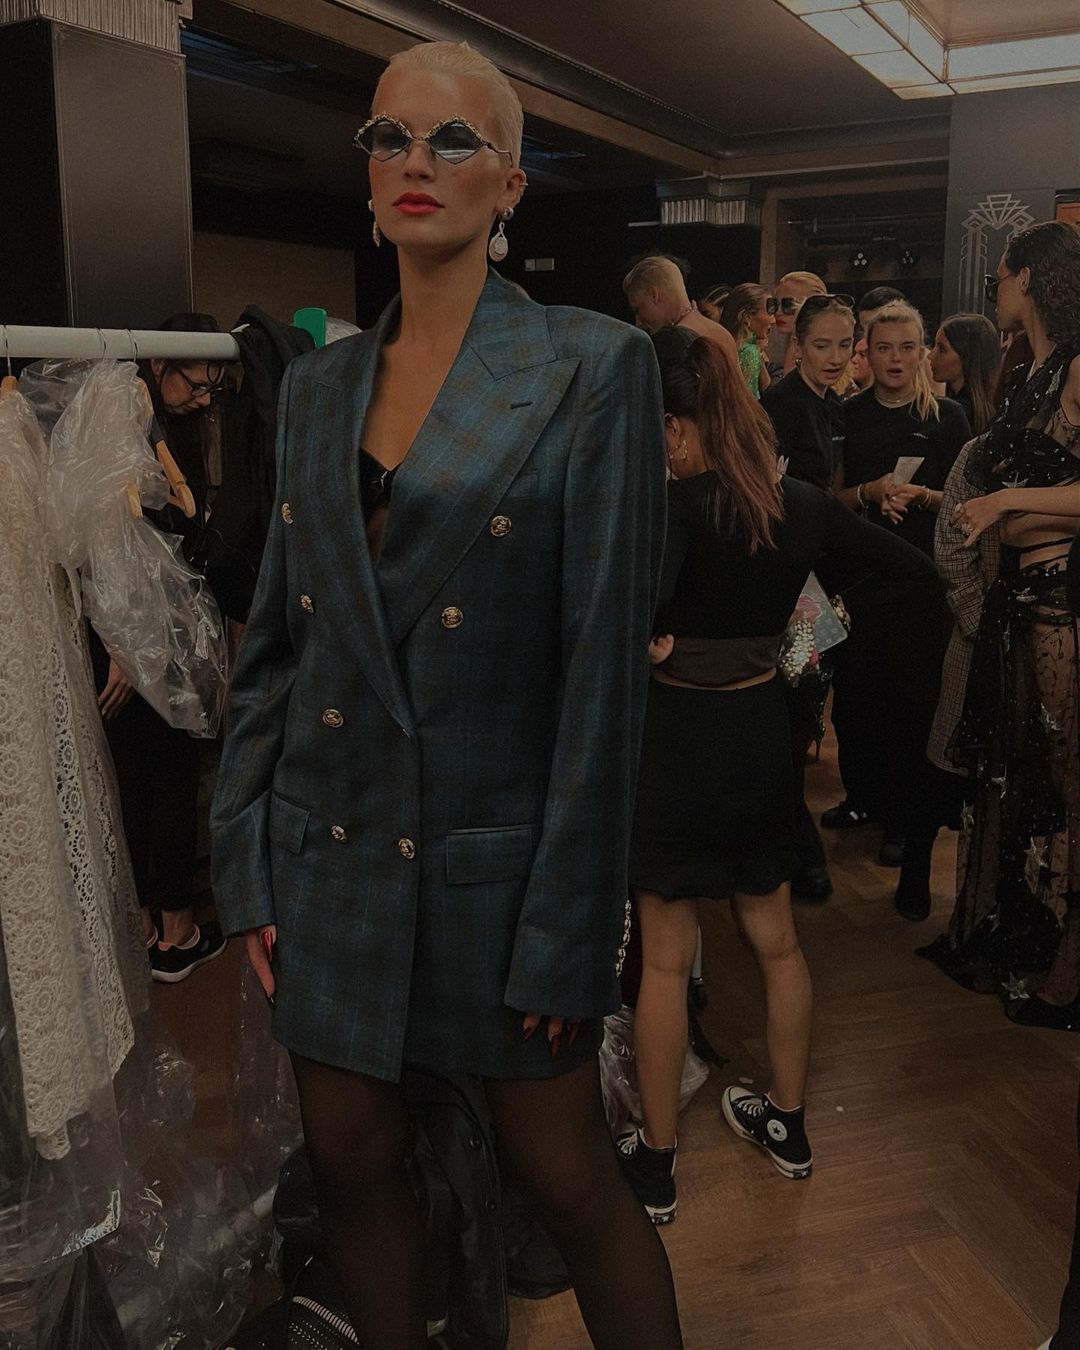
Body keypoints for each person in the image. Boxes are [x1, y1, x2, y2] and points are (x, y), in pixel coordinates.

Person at [210, 40, 683, 1350]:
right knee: (352, 1162)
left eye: (453, 138)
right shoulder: (318, 386)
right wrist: (245, 861)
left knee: (571, 1180)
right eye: (390, 138)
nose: (416, 161)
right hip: (330, 852)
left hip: (496, 868)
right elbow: (277, 648)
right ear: (368, 175)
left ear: (510, 182)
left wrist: (571, 925)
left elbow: (602, 686)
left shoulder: (592, 368)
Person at [616, 324, 936, 1225]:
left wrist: (655, 644)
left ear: (676, 426)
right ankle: (788, 1128)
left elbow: (633, 623)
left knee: (666, 960)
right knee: (778, 941)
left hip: (677, 739)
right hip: (759, 732)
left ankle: (656, 1165)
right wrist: (807, 637)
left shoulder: (672, 510)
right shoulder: (799, 504)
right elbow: (913, 574)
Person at [921, 220, 1080, 1029]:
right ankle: (1015, 938)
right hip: (1020, 600)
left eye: (1000, 278)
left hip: (1060, 601)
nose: (995, 293)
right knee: (1018, 782)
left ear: (1028, 278)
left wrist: (1007, 501)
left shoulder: (1078, 366)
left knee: (1067, 783)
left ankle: (1069, 974)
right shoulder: (1033, 370)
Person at [89, 312, 229, 983]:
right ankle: (176, 931)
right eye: (195, 385)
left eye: (212, 390)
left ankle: (149, 921)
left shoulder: (159, 426)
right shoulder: (129, 424)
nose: (203, 399)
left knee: (144, 774)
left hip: (139, 631)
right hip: (136, 635)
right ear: (158, 365)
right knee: (166, 772)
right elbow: (104, 541)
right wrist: (122, 645)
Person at [830, 300, 971, 917]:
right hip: (860, 580)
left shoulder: (947, 418)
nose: (895, 359)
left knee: (913, 709)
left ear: (922, 352)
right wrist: (870, 494)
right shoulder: (847, 414)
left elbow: (968, 502)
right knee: (857, 701)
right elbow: (826, 497)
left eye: (907, 347)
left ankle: (903, 822)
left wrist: (922, 495)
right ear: (868, 350)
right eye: (883, 347)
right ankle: (863, 798)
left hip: (923, 586)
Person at [761, 294, 856, 900]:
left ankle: (794, 845)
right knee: (791, 720)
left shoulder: (832, 403)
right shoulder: (781, 406)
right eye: (822, 344)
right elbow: (772, 500)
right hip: (790, 585)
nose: (835, 356)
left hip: (819, 581)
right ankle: (796, 849)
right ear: (798, 345)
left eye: (844, 344)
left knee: (801, 712)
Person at [622, 254, 740, 369]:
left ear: (654, 295)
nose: (638, 322)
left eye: (638, 310)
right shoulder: (723, 334)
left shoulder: (672, 344)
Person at [930, 312, 1000, 435]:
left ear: (967, 357)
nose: (931, 356)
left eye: (942, 349)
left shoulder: (954, 414)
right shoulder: (994, 413)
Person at [720, 282, 774, 397]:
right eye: (769, 313)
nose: (773, 320)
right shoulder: (749, 352)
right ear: (748, 316)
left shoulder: (721, 345)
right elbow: (748, 400)